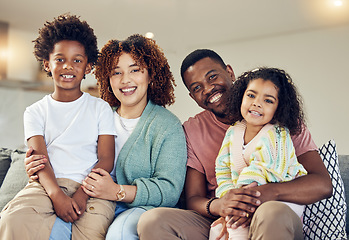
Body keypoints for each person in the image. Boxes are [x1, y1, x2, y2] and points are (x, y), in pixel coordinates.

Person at [137, 49, 332, 240]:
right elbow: (193, 198)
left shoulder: (282, 122)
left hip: (274, 211)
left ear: (229, 72)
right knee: (153, 221)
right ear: (192, 97)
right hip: (222, 217)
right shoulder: (192, 130)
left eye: (212, 77)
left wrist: (269, 192)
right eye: (197, 88)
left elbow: (322, 185)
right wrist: (220, 205)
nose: (208, 89)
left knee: (270, 213)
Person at [24, 34, 187, 240]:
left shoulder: (167, 125)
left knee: (118, 236)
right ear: (107, 79)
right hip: (89, 200)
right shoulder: (98, 113)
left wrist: (117, 191)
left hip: (137, 209)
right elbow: (65, 154)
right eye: (116, 72)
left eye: (135, 70)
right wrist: (34, 166)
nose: (125, 79)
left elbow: (170, 189)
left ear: (150, 74)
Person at [0, 14, 117, 240]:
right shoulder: (34, 112)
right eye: (60, 59)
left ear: (88, 67)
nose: (68, 67)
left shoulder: (100, 108)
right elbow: (39, 159)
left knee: (92, 233)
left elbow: (106, 159)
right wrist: (56, 195)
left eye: (77, 60)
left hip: (92, 188)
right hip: (47, 185)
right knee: (12, 220)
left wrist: (82, 195)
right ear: (47, 63)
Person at [209, 67, 308, 240]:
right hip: (247, 196)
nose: (257, 103)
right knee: (217, 230)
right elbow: (222, 170)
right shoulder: (233, 132)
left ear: (279, 108)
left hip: (280, 199)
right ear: (241, 96)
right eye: (251, 95)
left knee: (238, 227)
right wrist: (229, 201)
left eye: (268, 100)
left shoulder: (277, 133)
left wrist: (239, 205)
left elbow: (262, 169)